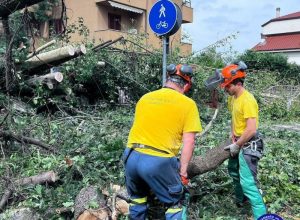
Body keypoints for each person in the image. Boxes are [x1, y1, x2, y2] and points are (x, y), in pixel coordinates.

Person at [122, 64, 202, 219]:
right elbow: (189, 142)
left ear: (167, 79)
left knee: (137, 200)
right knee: (174, 205)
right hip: (158, 161)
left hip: (131, 156)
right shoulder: (188, 104)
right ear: (186, 85)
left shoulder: (145, 98)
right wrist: (183, 171)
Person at [220, 61, 267, 220]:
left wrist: (237, 145)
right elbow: (234, 117)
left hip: (248, 143)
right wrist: (233, 135)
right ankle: (242, 202)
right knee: (234, 173)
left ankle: (262, 215)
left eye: (227, 86)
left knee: (249, 183)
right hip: (238, 140)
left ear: (237, 83)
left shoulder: (248, 100)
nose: (226, 89)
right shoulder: (233, 98)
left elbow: (251, 129)